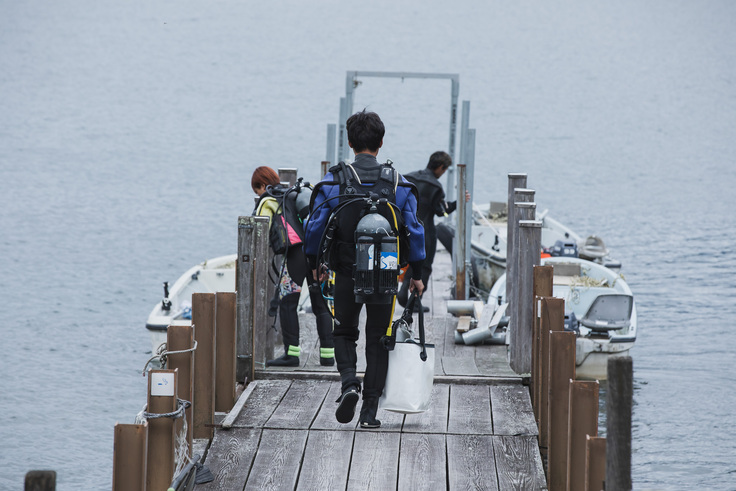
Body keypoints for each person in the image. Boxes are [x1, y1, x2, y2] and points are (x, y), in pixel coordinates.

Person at [304, 110, 426, 428]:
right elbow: (415, 230)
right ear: (381, 143)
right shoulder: (399, 184)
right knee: (379, 338)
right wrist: (417, 275)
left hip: (346, 273)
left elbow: (315, 228)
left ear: (350, 143)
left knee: (344, 332)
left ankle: (349, 384)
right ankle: (369, 412)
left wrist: (315, 265)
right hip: (385, 276)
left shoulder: (333, 182)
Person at [251, 166, 335, 367]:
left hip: (296, 256)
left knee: (288, 303)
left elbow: (259, 227)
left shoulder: (269, 200)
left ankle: (291, 354)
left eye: (257, 190)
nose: (259, 195)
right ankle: (327, 355)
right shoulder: (293, 195)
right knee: (320, 304)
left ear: (262, 185)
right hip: (316, 254)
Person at [397, 151, 469, 310]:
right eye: (444, 170)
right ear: (441, 167)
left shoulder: (409, 178)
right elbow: (442, 212)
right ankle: (415, 302)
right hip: (425, 230)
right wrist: (458, 202)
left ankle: (403, 291)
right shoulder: (435, 187)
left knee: (409, 261)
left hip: (404, 228)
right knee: (424, 266)